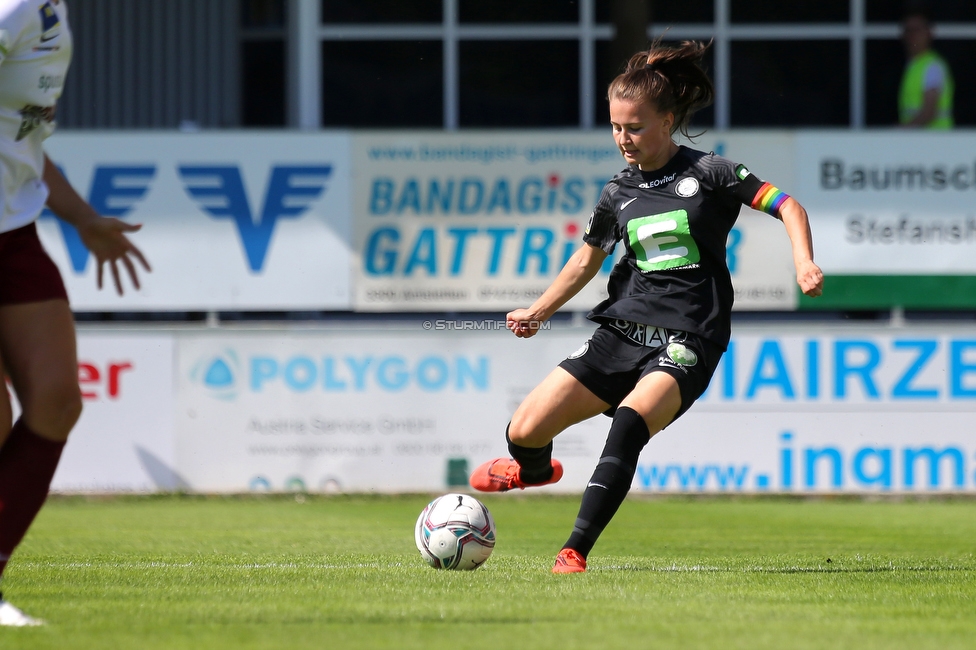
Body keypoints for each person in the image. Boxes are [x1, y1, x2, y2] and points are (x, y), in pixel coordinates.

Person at [468, 40, 823, 574]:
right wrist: (537, 311)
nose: (623, 138)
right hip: (622, 333)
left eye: (634, 127)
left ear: (668, 120)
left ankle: (574, 551)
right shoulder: (618, 193)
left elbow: (786, 204)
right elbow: (584, 263)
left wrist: (804, 263)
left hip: (691, 335)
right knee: (524, 430)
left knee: (630, 423)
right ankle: (535, 471)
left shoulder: (713, 172)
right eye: (615, 127)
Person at [0, 0, 149, 625]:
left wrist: (83, 217)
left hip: (14, 233)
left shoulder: (49, 6)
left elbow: (23, 142)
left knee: (58, 402)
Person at [899, 5, 954, 128]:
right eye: (908, 30)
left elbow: (929, 112)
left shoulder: (932, 66)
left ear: (929, 33)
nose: (912, 35)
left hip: (935, 140)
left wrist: (902, 131)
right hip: (919, 140)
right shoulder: (913, 66)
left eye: (917, 30)